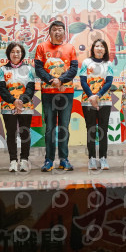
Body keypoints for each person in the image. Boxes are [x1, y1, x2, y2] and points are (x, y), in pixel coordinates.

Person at [34, 20, 78, 172]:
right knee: (50, 128)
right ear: (50, 32)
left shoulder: (70, 48)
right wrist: (51, 80)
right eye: (54, 29)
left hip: (66, 93)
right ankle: (49, 160)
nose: (57, 32)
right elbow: (38, 68)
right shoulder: (41, 47)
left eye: (60, 29)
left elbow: (73, 69)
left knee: (64, 127)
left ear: (64, 32)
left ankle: (64, 159)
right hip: (48, 93)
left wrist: (61, 80)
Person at [0, 42, 35, 172]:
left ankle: (24, 160)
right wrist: (13, 101)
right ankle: (13, 161)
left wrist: (21, 101)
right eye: (13, 52)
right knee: (11, 134)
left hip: (26, 106)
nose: (15, 54)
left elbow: (30, 88)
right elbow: (2, 89)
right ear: (8, 54)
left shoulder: (28, 69)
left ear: (22, 54)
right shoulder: (3, 69)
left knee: (25, 133)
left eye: (18, 52)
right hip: (8, 107)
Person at [79, 39, 114, 170]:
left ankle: (103, 158)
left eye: (102, 46)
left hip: (105, 100)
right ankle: (92, 159)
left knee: (103, 130)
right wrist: (91, 96)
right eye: (97, 46)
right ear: (93, 48)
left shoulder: (108, 64)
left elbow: (109, 82)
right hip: (87, 101)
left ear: (105, 50)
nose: (99, 48)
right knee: (91, 129)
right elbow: (83, 81)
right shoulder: (86, 62)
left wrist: (97, 95)